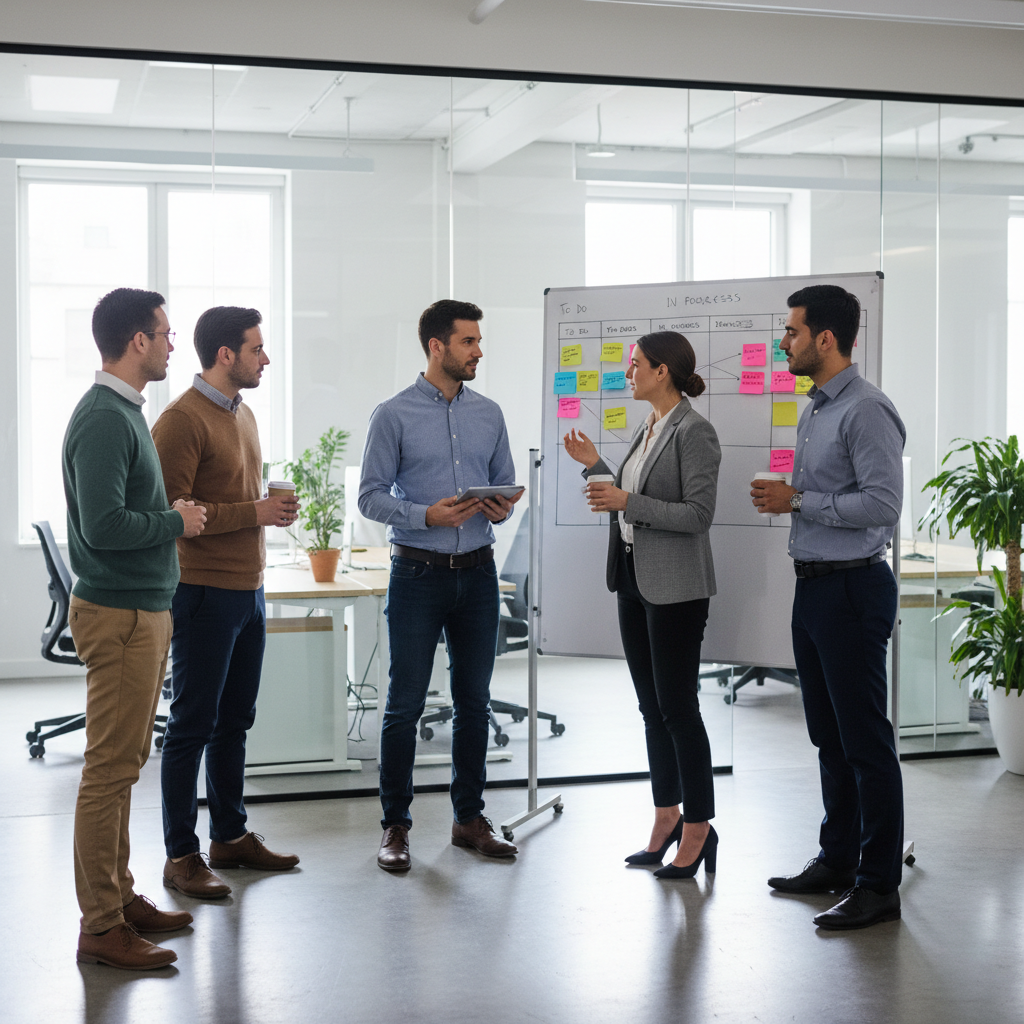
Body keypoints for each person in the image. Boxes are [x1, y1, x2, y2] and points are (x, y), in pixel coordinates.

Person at [750, 284, 905, 930]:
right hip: (813, 586)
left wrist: (799, 503)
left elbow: (883, 507)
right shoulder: (813, 408)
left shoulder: (866, 410)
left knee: (866, 741)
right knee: (827, 737)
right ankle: (837, 858)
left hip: (852, 588)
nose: (782, 341)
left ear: (825, 338)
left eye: (790, 331)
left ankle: (878, 884)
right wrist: (793, 499)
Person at [63, 287, 208, 969]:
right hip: (120, 612)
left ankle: (119, 898)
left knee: (125, 766)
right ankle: (101, 924)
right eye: (165, 333)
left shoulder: (124, 413)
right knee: (109, 770)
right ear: (137, 340)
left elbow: (121, 512)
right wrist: (178, 520)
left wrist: (167, 513)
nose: (174, 344)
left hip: (142, 606)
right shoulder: (102, 420)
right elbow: (104, 526)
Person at [359, 299, 523, 871]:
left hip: (479, 574)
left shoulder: (490, 413)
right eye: (469, 342)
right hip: (417, 575)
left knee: (474, 704)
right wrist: (425, 514)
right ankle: (395, 828)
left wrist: (499, 505)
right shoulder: (393, 415)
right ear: (437, 347)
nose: (479, 351)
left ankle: (468, 820)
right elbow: (371, 495)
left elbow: (501, 483)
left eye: (478, 341)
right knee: (404, 706)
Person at [152, 306, 301, 899]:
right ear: (225, 356)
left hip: (247, 589)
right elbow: (174, 515)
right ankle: (181, 855)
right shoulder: (179, 421)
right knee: (191, 725)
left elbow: (232, 501)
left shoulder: (242, 414)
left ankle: (230, 836)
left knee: (236, 721)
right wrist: (256, 513)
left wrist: (267, 509)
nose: (265, 358)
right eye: (257, 349)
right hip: (203, 592)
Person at [564, 331, 721, 880]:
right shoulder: (649, 426)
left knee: (679, 709)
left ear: (663, 372)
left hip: (677, 587)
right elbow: (629, 498)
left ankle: (700, 826)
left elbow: (697, 515)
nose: (628, 373)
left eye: (635, 366)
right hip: (633, 579)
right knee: (651, 709)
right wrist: (595, 466)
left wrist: (626, 499)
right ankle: (666, 815)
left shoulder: (694, 431)